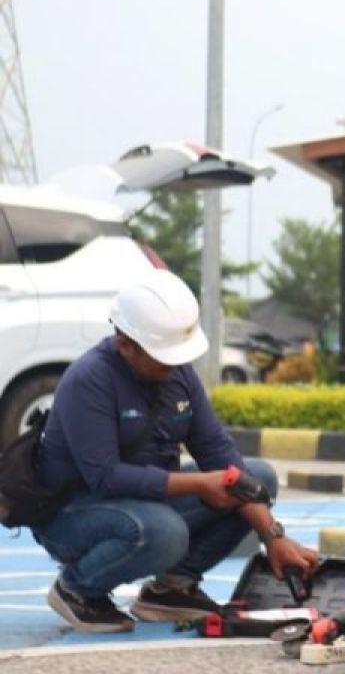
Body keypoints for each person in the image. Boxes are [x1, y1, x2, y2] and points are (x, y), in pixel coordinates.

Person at [34, 270, 318, 633]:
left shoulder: (177, 375)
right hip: (74, 514)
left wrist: (272, 537)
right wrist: (200, 485)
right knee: (165, 531)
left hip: (141, 504)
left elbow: (218, 451)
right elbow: (105, 477)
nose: (172, 364)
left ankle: (171, 588)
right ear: (126, 344)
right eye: (161, 355)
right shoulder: (89, 379)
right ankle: (76, 588)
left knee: (254, 480)